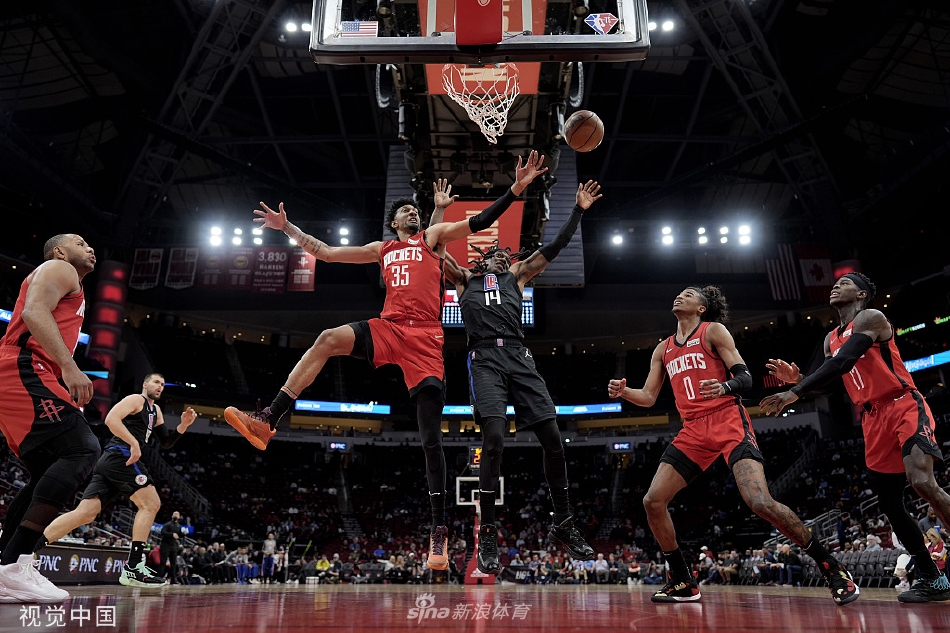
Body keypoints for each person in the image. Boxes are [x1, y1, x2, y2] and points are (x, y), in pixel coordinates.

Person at [223, 151, 547, 570]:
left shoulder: (433, 239)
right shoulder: (383, 248)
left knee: (430, 438)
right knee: (326, 338)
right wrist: (288, 229)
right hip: (389, 327)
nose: (412, 212)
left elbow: (479, 222)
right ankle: (269, 418)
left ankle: (438, 530)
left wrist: (516, 190)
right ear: (395, 223)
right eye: (406, 210)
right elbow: (326, 253)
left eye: (417, 209)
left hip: (426, 339)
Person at [608, 285, 858, 605]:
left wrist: (723, 385)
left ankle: (832, 567)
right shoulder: (663, 349)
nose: (680, 296)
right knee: (652, 501)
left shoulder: (713, 331)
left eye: (689, 294)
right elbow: (648, 396)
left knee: (759, 502)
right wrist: (625, 392)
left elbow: (745, 378)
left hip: (727, 419)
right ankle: (684, 580)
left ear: (701, 308)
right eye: (679, 293)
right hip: (693, 431)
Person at [437, 180, 601, 575]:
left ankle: (563, 521)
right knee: (493, 440)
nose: (497, 256)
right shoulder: (463, 280)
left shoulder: (519, 276)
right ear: (481, 261)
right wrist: (440, 211)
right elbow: (433, 249)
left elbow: (556, 247)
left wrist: (578, 209)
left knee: (553, 440)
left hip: (519, 356)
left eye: (502, 254)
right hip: (484, 359)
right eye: (492, 253)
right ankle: (489, 531)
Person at [760, 271, 950, 603]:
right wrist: (802, 378)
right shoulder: (830, 337)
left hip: (902, 404)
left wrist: (795, 392)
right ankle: (933, 579)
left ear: (861, 295)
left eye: (846, 283)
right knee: (891, 506)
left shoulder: (872, 317)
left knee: (921, 481)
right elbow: (831, 382)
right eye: (836, 283)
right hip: (872, 419)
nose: (837, 285)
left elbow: (846, 360)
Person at [0, 234, 102, 603]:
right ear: (60, 251)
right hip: (24, 366)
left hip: (25, 371)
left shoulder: (71, 285)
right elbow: (33, 313)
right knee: (83, 450)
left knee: (48, 470)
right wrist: (71, 368)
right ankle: (15, 565)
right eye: (80, 242)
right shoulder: (60, 268)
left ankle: (6, 566)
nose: (90, 248)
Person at [37, 373, 196, 588]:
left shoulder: (155, 411)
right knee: (151, 503)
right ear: (145, 383)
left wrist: (183, 426)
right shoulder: (136, 400)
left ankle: (26, 548)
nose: (160, 386)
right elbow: (111, 419)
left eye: (162, 384)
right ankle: (132, 568)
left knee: (84, 514)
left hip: (113, 461)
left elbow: (166, 442)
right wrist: (134, 443)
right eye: (156, 382)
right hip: (120, 454)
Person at [160, 511, 184, 584]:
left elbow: (179, 535)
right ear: (172, 516)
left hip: (173, 546)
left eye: (177, 515)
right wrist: (171, 534)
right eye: (174, 514)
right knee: (163, 562)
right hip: (166, 545)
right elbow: (162, 532)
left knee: (173, 563)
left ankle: (173, 579)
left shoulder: (178, 526)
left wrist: (183, 534)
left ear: (179, 517)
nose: (176, 516)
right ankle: (159, 578)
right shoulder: (168, 524)